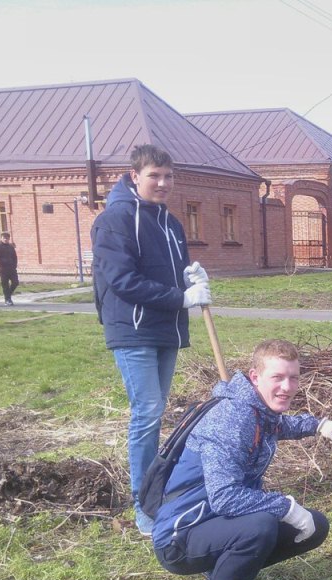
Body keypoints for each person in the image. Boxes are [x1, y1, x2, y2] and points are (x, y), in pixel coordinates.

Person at [150, 339, 332, 580]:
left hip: (213, 522)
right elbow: (225, 496)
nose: (287, 386)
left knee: (316, 525)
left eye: (293, 377)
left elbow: (280, 426)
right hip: (179, 536)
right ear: (255, 377)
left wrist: (317, 424)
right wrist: (287, 507)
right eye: (277, 377)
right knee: (261, 524)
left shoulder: (255, 409)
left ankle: (229, 569)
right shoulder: (233, 418)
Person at [91, 144, 212, 538]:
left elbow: (171, 274)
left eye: (168, 176)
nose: (163, 183)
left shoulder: (171, 223)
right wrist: (181, 297)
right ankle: (142, 503)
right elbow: (123, 281)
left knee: (156, 413)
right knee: (146, 413)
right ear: (134, 176)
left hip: (166, 330)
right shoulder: (116, 220)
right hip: (133, 329)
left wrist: (192, 278)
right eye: (154, 176)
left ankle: (158, 490)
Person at [0, 232, 19, 306]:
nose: (6, 240)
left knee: (15, 282)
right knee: (5, 285)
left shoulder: (11, 247)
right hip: (3, 269)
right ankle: (7, 300)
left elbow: (15, 257)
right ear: (1, 238)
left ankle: (8, 296)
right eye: (4, 238)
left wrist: (15, 265)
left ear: (9, 239)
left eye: (7, 238)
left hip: (12, 268)